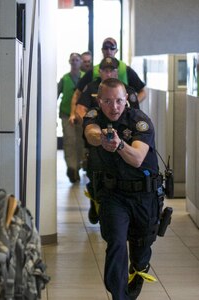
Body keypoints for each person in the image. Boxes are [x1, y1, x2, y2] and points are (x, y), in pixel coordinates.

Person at [83, 78, 163, 299]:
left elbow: (137, 158)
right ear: (99, 101)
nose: (114, 107)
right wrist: (102, 139)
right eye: (107, 101)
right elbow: (91, 133)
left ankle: (139, 269)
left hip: (144, 195)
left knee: (141, 248)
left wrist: (118, 145)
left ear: (126, 99)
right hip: (114, 195)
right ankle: (119, 296)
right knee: (117, 243)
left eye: (118, 100)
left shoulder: (139, 121)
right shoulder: (94, 116)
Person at [76, 57, 139, 225]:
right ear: (100, 71)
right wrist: (91, 126)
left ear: (117, 72)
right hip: (98, 145)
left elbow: (135, 115)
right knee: (96, 176)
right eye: (105, 70)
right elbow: (80, 109)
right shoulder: (91, 88)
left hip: (123, 145)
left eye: (112, 70)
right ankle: (96, 200)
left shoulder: (129, 90)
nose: (109, 73)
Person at [69, 37, 146, 126]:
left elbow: (142, 94)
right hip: (97, 123)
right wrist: (89, 124)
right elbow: (79, 100)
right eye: (106, 48)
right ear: (100, 72)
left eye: (111, 48)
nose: (109, 74)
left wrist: (125, 103)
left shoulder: (126, 70)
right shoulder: (92, 80)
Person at [57, 53, 85, 183]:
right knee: (69, 141)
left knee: (80, 141)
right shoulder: (65, 79)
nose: (74, 62)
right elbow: (55, 95)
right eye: (72, 60)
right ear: (69, 61)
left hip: (81, 115)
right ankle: (72, 168)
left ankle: (78, 166)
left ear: (81, 62)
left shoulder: (85, 78)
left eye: (77, 60)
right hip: (66, 115)